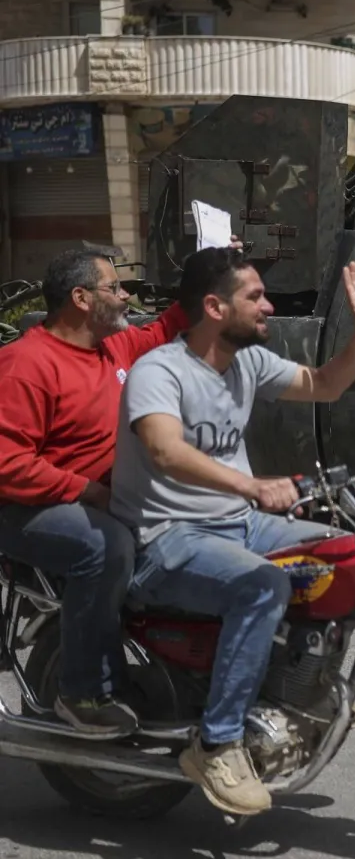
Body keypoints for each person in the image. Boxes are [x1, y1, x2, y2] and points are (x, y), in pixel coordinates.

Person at [111, 246, 355, 816]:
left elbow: (326, 383)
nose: (268, 305)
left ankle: (306, 684)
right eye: (254, 296)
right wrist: (250, 486)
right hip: (167, 538)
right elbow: (163, 448)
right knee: (262, 586)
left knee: (349, 552)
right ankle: (218, 745)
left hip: (240, 525)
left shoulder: (249, 364)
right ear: (213, 306)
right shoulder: (160, 370)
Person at [0, 248, 193, 735]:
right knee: (104, 548)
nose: (126, 296)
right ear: (81, 298)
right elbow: (7, 463)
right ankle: (82, 693)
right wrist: (87, 490)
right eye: (115, 288)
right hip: (25, 507)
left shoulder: (113, 348)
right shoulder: (27, 364)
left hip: (96, 497)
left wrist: (211, 273)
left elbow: (162, 330)